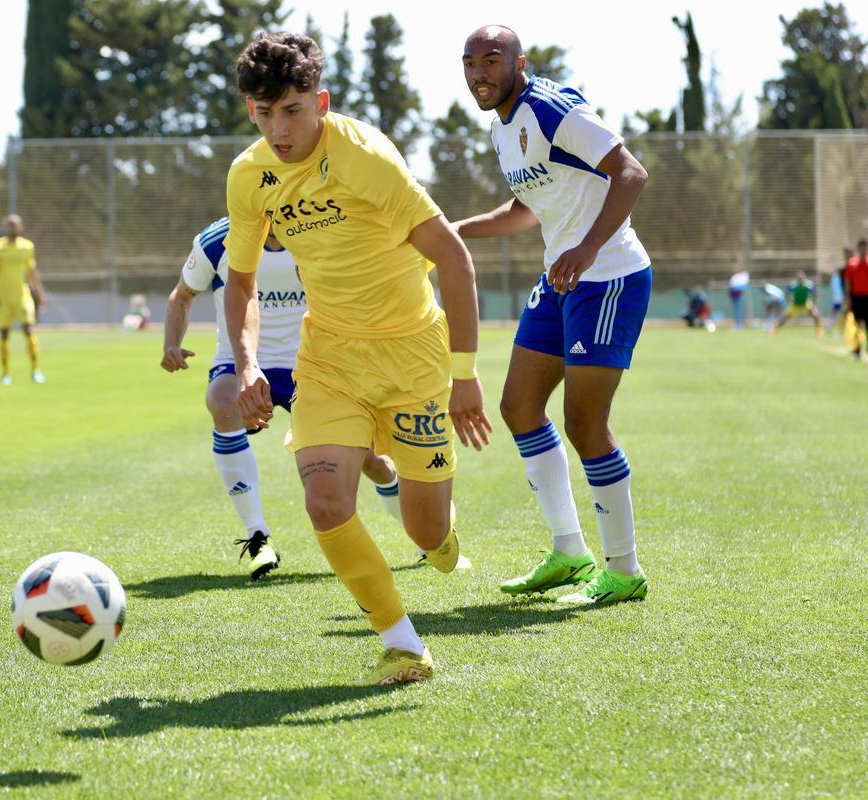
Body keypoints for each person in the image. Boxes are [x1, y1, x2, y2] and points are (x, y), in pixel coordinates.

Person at [224, 32, 492, 685]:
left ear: (320, 100)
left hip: (413, 354)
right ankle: (403, 644)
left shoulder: (366, 159)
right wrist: (248, 363)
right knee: (323, 502)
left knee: (426, 535)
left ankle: (438, 533)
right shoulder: (249, 175)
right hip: (331, 356)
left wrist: (464, 376)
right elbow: (240, 280)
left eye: (291, 109)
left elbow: (454, 258)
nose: (278, 128)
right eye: (263, 112)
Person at [455, 25, 651, 606]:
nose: (479, 73)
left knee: (585, 425)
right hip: (561, 280)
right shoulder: (503, 127)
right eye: (469, 63)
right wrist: (454, 233)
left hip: (608, 276)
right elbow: (525, 209)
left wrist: (587, 247)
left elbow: (631, 172)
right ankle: (569, 552)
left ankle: (624, 569)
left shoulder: (550, 107)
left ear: (521, 62)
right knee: (518, 406)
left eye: (492, 60)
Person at [162, 217, 455, 580]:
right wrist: (171, 343)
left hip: (315, 363)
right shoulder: (218, 239)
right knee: (222, 402)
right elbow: (182, 294)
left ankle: (427, 538)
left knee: (371, 461)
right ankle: (257, 536)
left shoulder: (321, 230)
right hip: (242, 362)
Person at [0, 214, 46, 385]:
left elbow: (31, 272)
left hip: (22, 296)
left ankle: (36, 370)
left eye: (15, 225)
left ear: (21, 228)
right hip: (3, 298)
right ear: (5, 227)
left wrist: (39, 294)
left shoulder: (27, 247)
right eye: (9, 225)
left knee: (29, 329)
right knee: (4, 335)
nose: (12, 229)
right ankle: (6, 373)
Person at [773, 270, 822, 334]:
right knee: (785, 318)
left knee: (816, 315)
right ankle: (775, 330)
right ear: (797, 279)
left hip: (805, 303)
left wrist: (813, 302)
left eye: (802, 278)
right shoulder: (793, 285)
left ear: (804, 278)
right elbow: (786, 293)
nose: (800, 280)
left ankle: (819, 331)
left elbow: (815, 294)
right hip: (795, 304)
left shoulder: (809, 284)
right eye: (799, 279)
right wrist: (788, 301)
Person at [844, 239, 868, 359]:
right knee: (857, 325)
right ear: (858, 249)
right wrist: (848, 298)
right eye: (861, 248)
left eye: (865, 248)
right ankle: (857, 349)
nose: (863, 250)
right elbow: (848, 282)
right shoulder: (852, 263)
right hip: (857, 297)